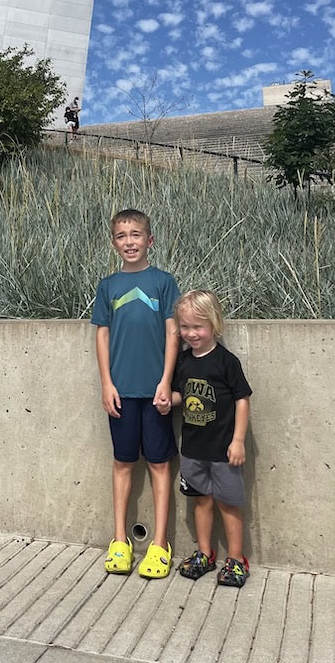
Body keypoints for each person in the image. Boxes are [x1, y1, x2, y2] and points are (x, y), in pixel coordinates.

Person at [92, 208, 180, 578]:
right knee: (123, 463)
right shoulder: (108, 286)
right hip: (122, 393)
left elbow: (174, 333)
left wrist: (166, 382)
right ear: (114, 242)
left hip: (156, 393)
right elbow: (101, 334)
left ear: (150, 240)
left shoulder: (164, 282)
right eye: (121, 236)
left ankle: (159, 544)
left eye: (136, 235)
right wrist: (107, 383)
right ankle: (119, 540)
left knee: (160, 465)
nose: (129, 241)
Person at [171, 289, 252, 588]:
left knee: (228, 504)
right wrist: (171, 400)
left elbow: (242, 399)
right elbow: (183, 393)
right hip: (193, 449)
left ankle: (236, 558)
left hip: (223, 450)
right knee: (201, 501)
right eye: (185, 327)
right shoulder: (182, 361)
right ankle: (205, 552)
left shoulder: (226, 362)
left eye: (198, 327)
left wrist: (239, 440)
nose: (191, 333)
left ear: (214, 323)